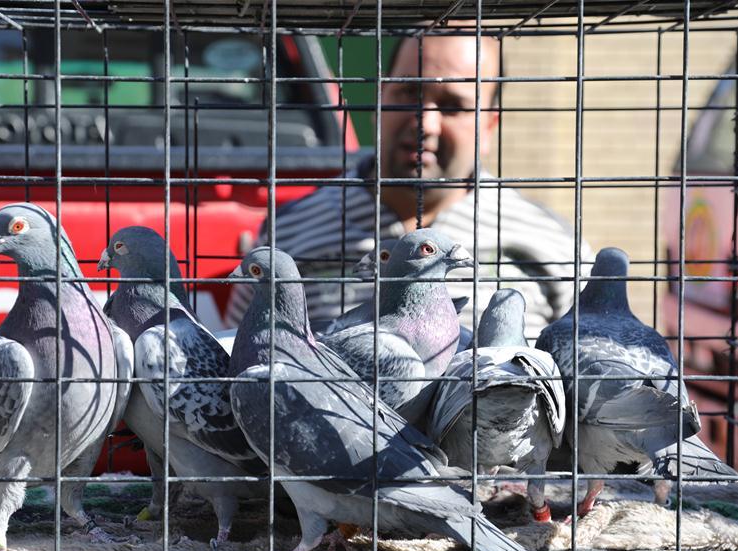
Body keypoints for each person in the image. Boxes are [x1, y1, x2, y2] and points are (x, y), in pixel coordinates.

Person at [225, 25, 591, 340]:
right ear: (381, 97)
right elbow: (241, 361)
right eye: (408, 93)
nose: (425, 124)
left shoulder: (553, 245)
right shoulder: (288, 234)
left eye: (453, 105)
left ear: (489, 126)